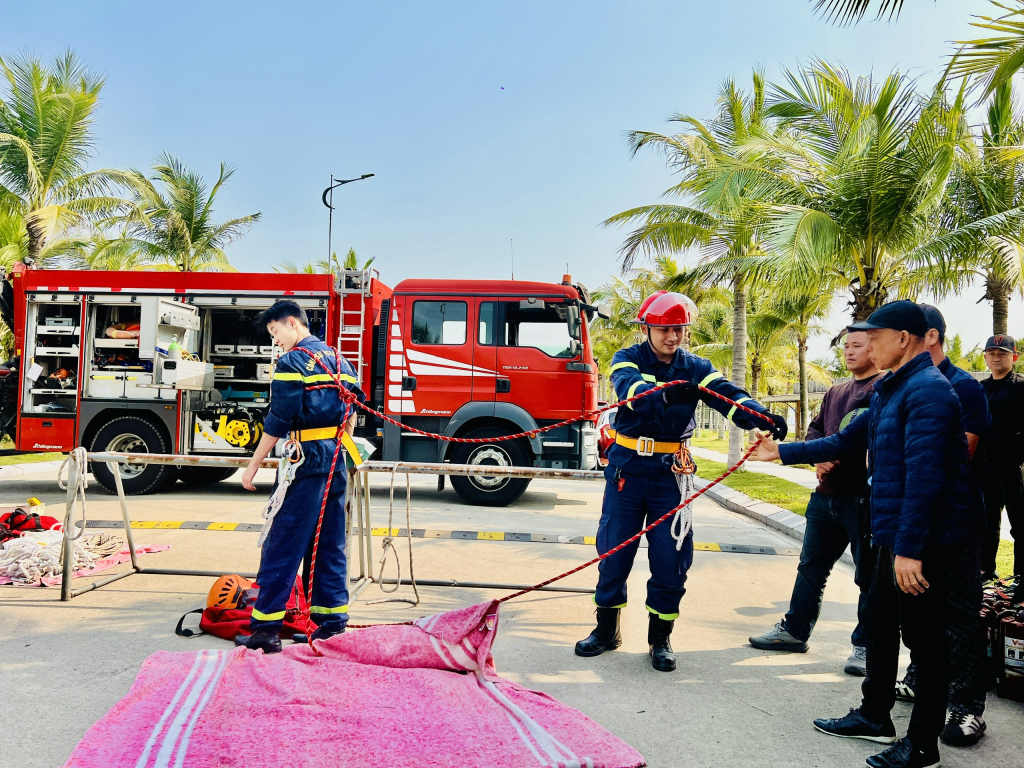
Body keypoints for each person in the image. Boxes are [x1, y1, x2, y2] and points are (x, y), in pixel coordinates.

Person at [749, 300, 973, 768]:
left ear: (904, 339)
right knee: (877, 622)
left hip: (926, 541)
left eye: (875, 337)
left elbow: (926, 478)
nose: (867, 346)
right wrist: (780, 452)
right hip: (892, 533)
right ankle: (875, 715)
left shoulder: (930, 392)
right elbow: (845, 441)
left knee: (926, 643)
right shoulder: (893, 387)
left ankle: (923, 746)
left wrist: (909, 551)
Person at [574, 291, 786, 672]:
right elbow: (631, 393)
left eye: (680, 329)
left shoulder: (697, 367)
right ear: (646, 328)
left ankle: (660, 639)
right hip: (627, 472)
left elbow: (728, 395)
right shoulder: (627, 358)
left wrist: (761, 415)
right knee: (613, 554)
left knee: (670, 559)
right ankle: (606, 631)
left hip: (670, 476)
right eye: (665, 329)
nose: (673, 337)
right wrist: (671, 393)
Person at [748, 329, 881, 676]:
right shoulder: (836, 391)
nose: (849, 352)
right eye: (846, 346)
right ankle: (794, 631)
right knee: (811, 568)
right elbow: (816, 430)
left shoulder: (883, 389)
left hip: (864, 500)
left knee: (868, 577)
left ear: (876, 347)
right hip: (825, 497)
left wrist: (802, 452)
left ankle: (866, 646)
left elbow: (852, 441)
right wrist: (817, 457)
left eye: (857, 346)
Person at [236, 300, 364, 654]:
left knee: (283, 542)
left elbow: (278, 418)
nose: (275, 340)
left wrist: (253, 464)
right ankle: (331, 626)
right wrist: (339, 446)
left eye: (275, 331)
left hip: (304, 460)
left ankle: (266, 630)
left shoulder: (292, 362)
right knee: (329, 543)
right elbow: (352, 412)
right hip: (336, 459)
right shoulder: (340, 360)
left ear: (292, 322)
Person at [890, 305, 991, 747]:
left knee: (960, 612)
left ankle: (967, 706)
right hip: (917, 516)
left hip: (957, 519)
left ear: (928, 336)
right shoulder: (902, 383)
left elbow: (958, 454)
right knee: (921, 608)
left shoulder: (961, 386)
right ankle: (919, 678)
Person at [979, 334, 1024, 581]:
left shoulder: (1020, 386)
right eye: (992, 353)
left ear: (1014, 357)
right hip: (985, 467)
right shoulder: (981, 388)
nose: (997, 358)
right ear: (985, 357)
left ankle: (1020, 578)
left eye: (1003, 354)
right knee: (987, 524)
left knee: (1020, 524)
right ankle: (986, 571)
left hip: (1014, 467)